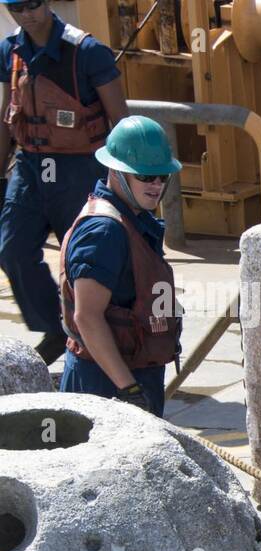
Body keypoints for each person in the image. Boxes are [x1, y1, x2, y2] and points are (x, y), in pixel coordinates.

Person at [0, 0, 128, 364]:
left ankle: (101, 341)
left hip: (80, 169)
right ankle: (56, 328)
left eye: (33, 4)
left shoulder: (88, 52)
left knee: (86, 262)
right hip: (30, 169)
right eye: (16, 7)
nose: (26, 14)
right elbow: (5, 112)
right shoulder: (9, 52)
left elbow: (119, 120)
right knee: (12, 250)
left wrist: (125, 184)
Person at [57, 116, 181, 414]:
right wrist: (129, 388)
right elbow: (87, 316)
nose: (156, 184)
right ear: (117, 171)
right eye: (145, 176)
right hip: (103, 384)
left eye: (162, 176)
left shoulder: (134, 219)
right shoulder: (104, 232)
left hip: (130, 375)